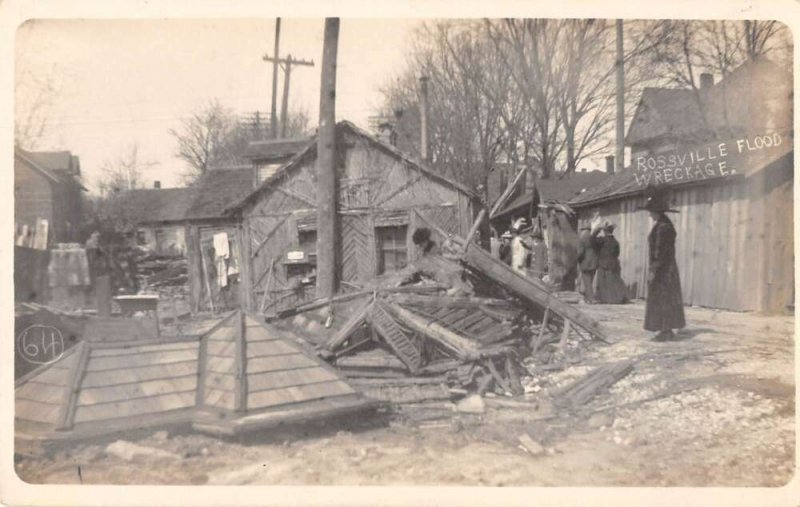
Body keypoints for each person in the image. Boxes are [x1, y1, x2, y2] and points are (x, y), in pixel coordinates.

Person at [640, 190, 686, 340]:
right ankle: (664, 329)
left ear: (656, 211)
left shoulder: (663, 227)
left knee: (663, 298)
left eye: (651, 211)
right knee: (663, 298)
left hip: (663, 270)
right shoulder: (663, 224)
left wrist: (654, 269)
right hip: (665, 268)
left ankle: (666, 331)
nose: (649, 214)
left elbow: (660, 251)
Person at [593, 221, 629, 304]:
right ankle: (617, 298)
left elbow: (592, 240)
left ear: (604, 231)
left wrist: (596, 230)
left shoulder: (602, 240)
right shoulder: (615, 242)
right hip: (613, 263)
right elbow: (617, 253)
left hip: (603, 263)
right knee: (613, 281)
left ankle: (605, 299)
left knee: (603, 282)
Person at [576, 224, 599, 303]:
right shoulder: (594, 238)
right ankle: (587, 298)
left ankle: (591, 299)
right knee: (590, 281)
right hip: (594, 262)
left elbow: (580, 252)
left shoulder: (582, 239)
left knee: (587, 282)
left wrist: (576, 259)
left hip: (585, 263)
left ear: (583, 230)